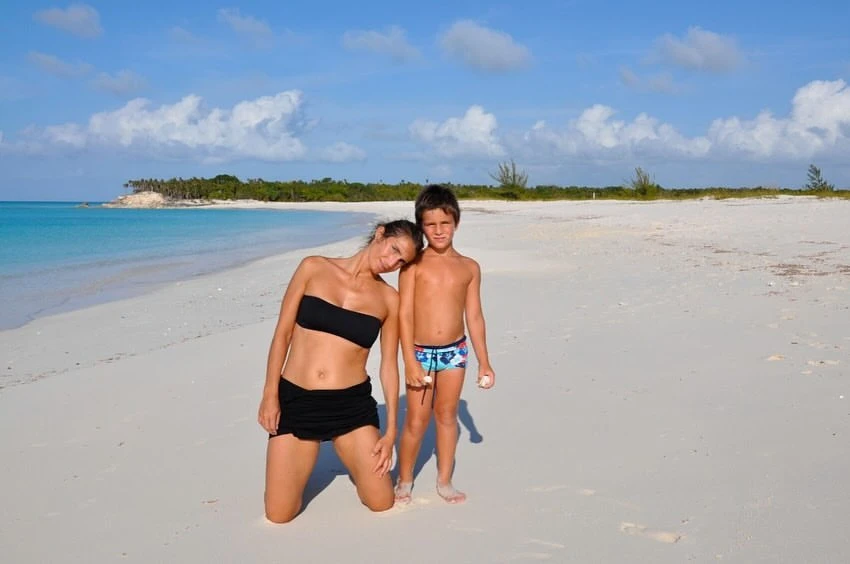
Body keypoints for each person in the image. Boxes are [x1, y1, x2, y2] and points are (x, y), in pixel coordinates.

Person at [258, 219, 424, 523]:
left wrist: (390, 434)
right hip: (296, 400)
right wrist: (271, 393)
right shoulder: (313, 268)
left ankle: (357, 465)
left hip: (350, 408)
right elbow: (282, 333)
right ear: (380, 234)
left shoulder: (389, 299)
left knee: (381, 502)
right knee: (279, 514)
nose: (391, 262)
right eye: (393, 249)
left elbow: (389, 365)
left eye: (401, 261)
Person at [395, 185, 495, 504]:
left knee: (448, 414)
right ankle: (405, 478)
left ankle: (444, 479)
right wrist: (409, 360)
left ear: (456, 223)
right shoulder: (412, 266)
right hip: (420, 354)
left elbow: (475, 316)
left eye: (445, 223)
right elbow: (404, 315)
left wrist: (485, 361)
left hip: (455, 352)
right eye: (431, 224)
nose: (439, 230)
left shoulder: (469, 267)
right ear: (421, 226)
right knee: (416, 419)